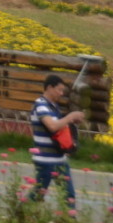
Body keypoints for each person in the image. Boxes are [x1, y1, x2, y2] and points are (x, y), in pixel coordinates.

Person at [30, 74, 84, 207]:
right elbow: (52, 126)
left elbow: (59, 128)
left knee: (68, 195)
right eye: (59, 90)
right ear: (49, 88)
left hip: (59, 159)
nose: (61, 94)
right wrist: (70, 116)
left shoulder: (53, 107)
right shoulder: (41, 105)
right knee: (38, 193)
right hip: (45, 160)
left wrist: (71, 122)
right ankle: (20, 216)